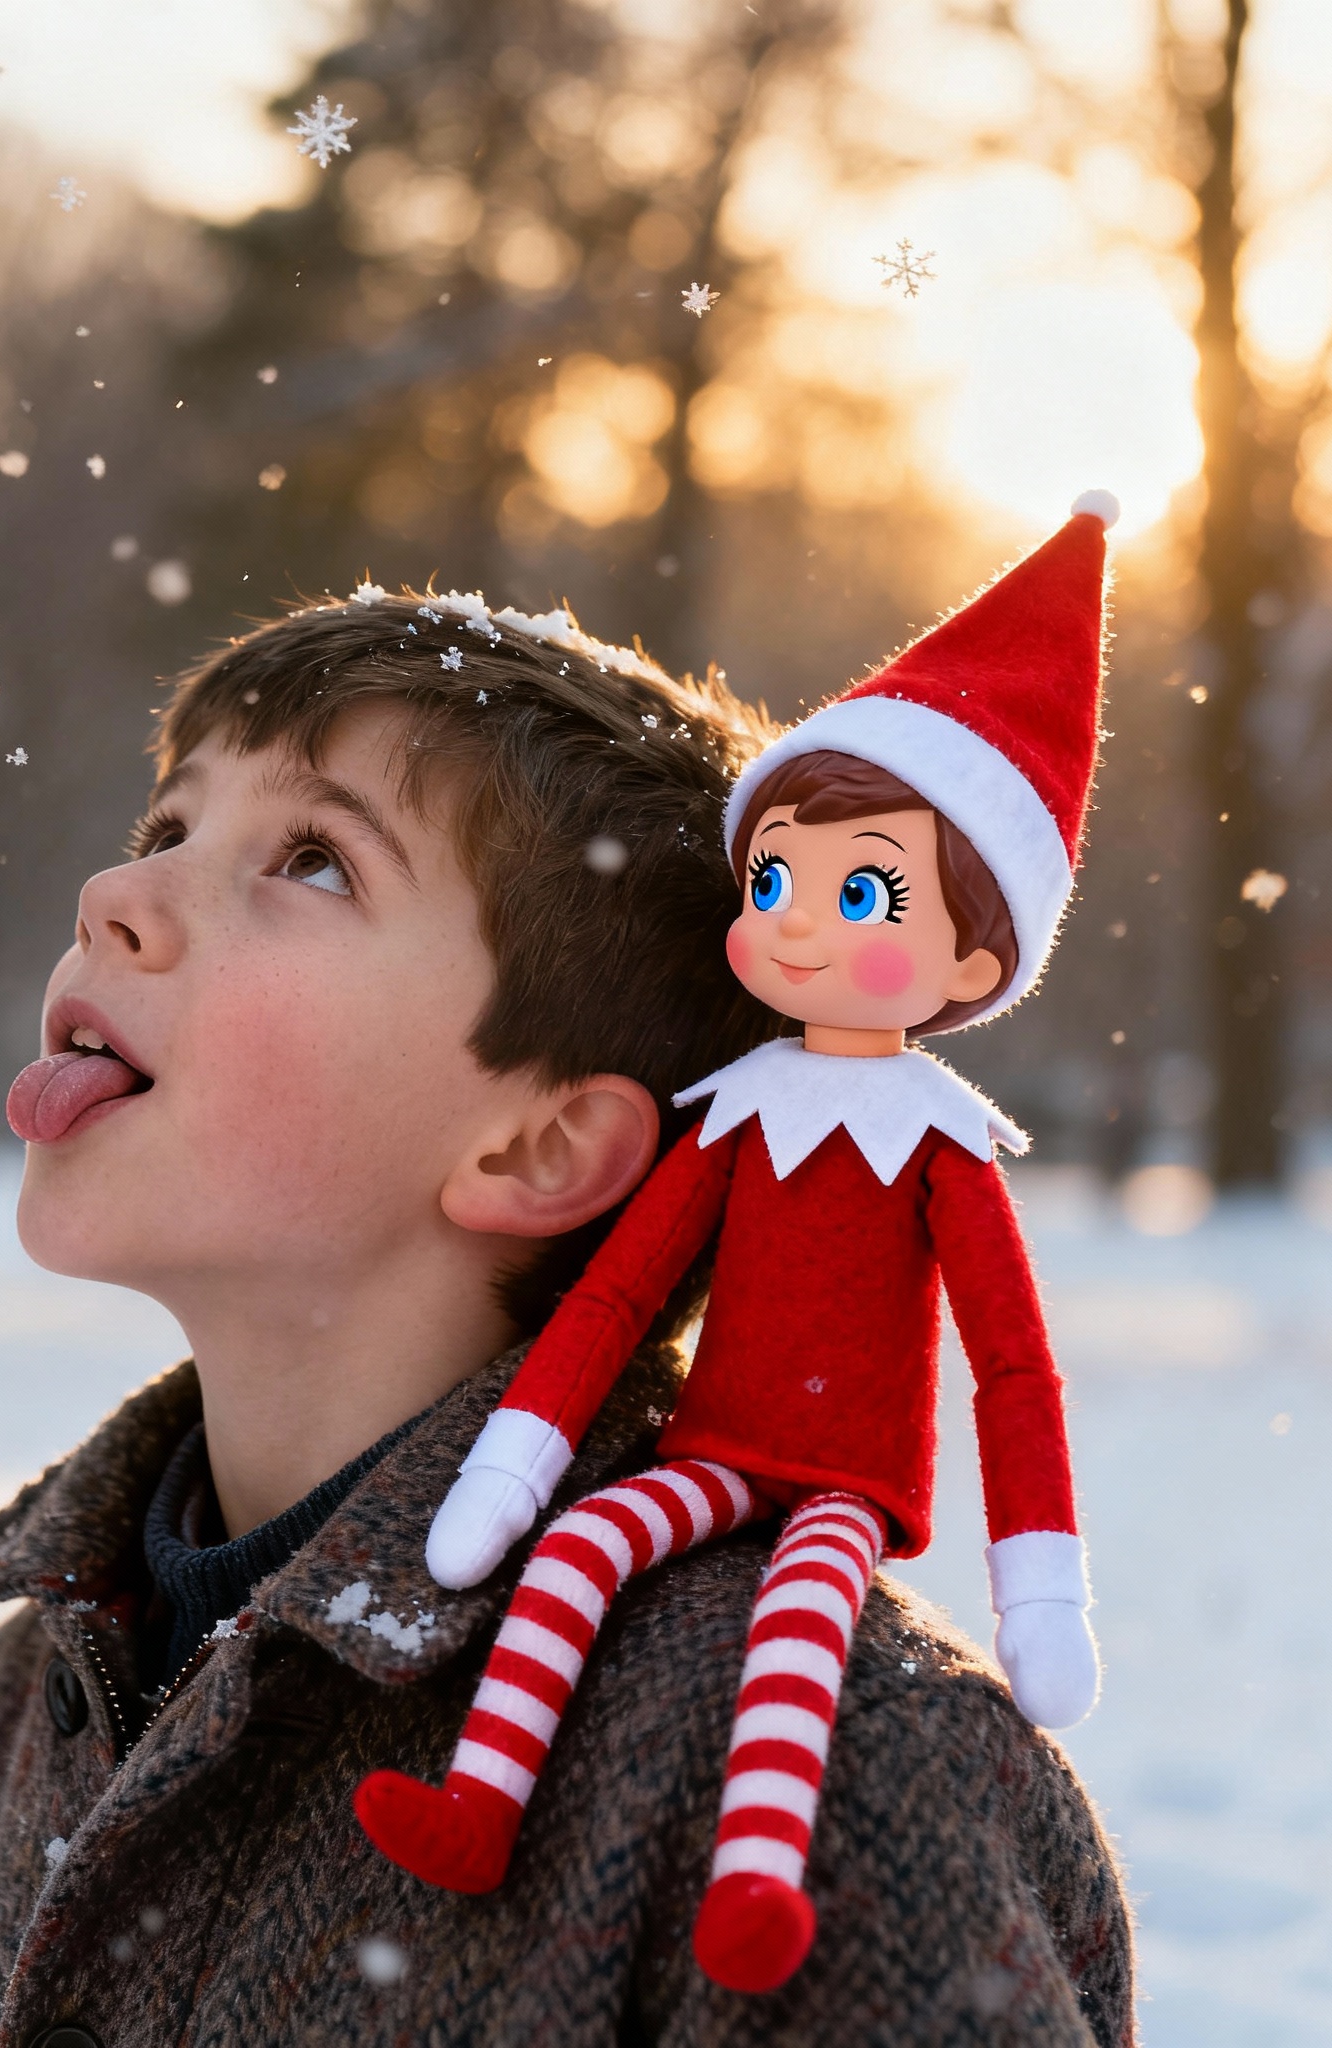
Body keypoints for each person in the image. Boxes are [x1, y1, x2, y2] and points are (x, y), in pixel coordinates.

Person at [0, 585, 1133, 2048]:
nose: (117, 899)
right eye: (168, 831)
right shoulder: (14, 1709)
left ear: (536, 1149)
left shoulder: (818, 1770)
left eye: (315, 862)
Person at [354, 498, 1117, 1999]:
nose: (803, 925)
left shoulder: (946, 1156)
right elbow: (629, 1291)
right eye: (774, 881)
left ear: (975, 961)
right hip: (717, 1440)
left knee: (800, 1629)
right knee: (582, 1543)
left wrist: (1039, 1585)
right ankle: (477, 1805)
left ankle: (755, 1885)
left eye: (865, 892)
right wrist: (521, 1461)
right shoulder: (733, 1117)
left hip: (848, 1479)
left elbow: (1012, 1369)